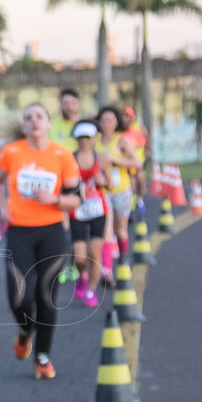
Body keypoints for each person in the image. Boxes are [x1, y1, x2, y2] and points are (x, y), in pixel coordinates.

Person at [0, 103, 81, 380]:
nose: (33, 121)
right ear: (25, 125)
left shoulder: (63, 156)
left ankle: (42, 357)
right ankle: (25, 330)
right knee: (19, 297)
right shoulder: (12, 152)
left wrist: (53, 199)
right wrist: (2, 205)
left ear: (49, 122)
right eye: (28, 117)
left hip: (52, 232)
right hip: (19, 232)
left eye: (39, 116)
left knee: (46, 295)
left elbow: (76, 199)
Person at [69, 121, 112, 307]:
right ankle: (82, 276)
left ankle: (91, 290)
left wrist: (101, 181)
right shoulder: (69, 158)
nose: (84, 141)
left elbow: (110, 184)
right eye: (81, 138)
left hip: (97, 210)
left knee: (95, 253)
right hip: (77, 210)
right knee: (79, 258)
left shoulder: (102, 158)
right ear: (76, 140)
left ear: (94, 139)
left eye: (88, 137)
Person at [96, 105, 142, 272]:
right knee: (106, 231)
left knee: (121, 230)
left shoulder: (121, 140)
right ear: (99, 122)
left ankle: (123, 257)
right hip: (102, 192)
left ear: (116, 123)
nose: (107, 123)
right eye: (104, 120)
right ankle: (106, 270)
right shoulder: (95, 141)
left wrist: (114, 159)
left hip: (122, 191)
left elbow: (137, 162)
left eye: (111, 120)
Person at [48, 87, 81, 152]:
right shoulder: (50, 124)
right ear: (60, 104)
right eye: (66, 103)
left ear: (79, 104)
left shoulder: (85, 125)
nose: (70, 107)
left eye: (73, 103)